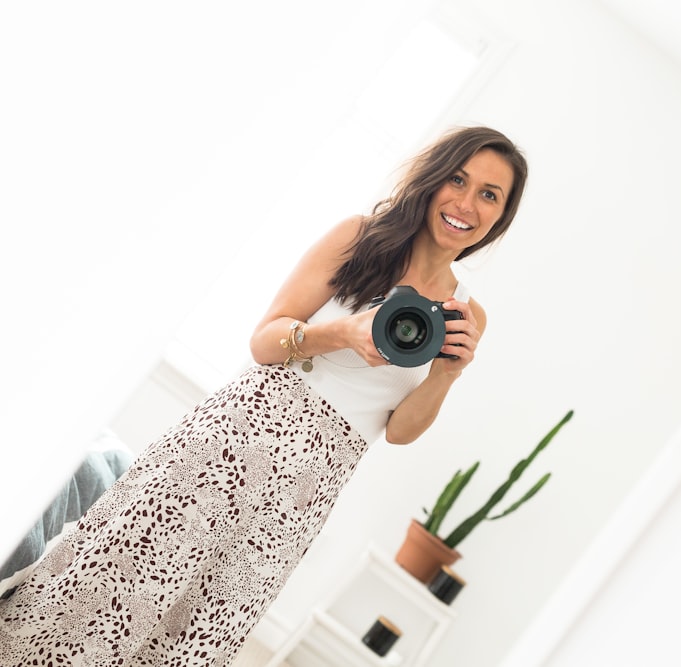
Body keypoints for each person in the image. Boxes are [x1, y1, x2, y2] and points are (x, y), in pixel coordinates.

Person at [0, 126, 528, 666]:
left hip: (307, 489)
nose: (467, 203)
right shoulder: (359, 237)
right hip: (234, 438)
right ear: (435, 179)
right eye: (458, 180)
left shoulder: (468, 314)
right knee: (119, 576)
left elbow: (398, 430)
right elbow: (264, 341)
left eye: (490, 194)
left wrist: (447, 375)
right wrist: (341, 335)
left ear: (501, 217)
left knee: (203, 624)